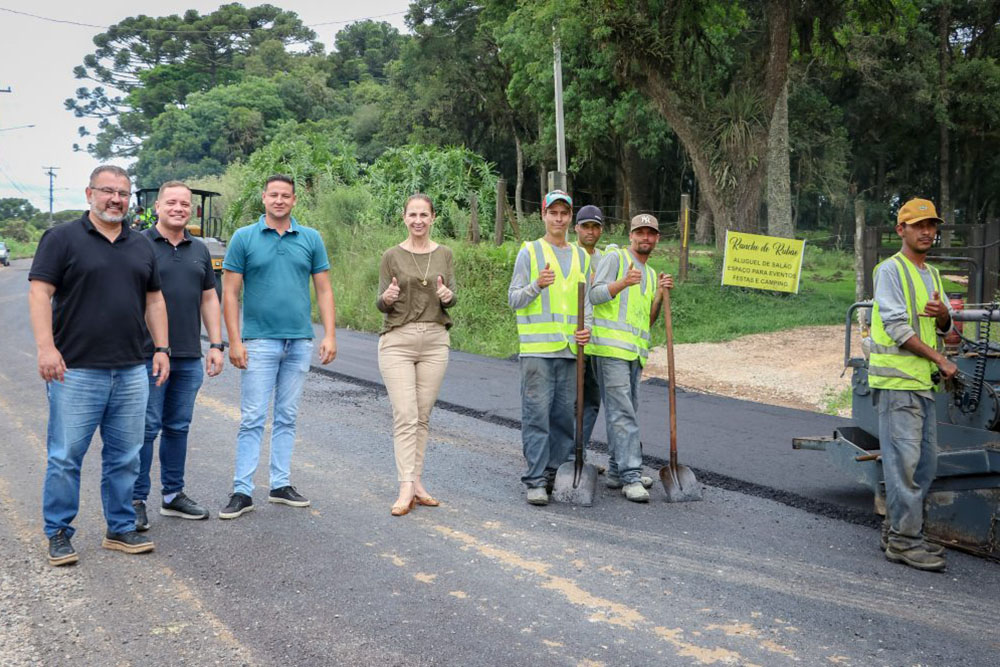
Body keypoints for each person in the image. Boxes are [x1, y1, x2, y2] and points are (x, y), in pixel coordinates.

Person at [28, 165, 169, 565]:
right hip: (75, 370)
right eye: (108, 191)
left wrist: (162, 348)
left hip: (132, 369)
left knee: (125, 455)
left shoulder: (141, 244)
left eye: (123, 193)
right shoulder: (61, 238)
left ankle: (120, 527)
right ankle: (58, 531)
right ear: (89, 193)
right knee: (65, 456)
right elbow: (39, 293)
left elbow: (154, 300)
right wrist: (46, 348)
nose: (116, 200)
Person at [219, 174, 337, 519]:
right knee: (253, 417)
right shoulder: (244, 237)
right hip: (259, 341)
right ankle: (242, 490)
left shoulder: (310, 238)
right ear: (264, 198)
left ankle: (280, 484)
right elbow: (230, 293)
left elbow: (324, 289)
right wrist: (234, 341)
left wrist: (330, 334)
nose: (279, 200)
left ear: (294, 200)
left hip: (299, 340)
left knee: (287, 416)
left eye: (286, 195)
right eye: (274, 195)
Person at [132, 181, 225, 531]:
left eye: (184, 204)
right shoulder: (137, 244)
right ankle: (135, 500)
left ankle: (172, 495)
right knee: (146, 428)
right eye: (171, 202)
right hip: (147, 355)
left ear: (192, 210)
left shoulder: (199, 249)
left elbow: (209, 298)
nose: (178, 208)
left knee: (178, 426)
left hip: (188, 355)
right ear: (157, 207)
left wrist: (215, 344)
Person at [869, 197, 956, 571]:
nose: (927, 231)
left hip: (923, 384)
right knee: (904, 465)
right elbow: (896, 328)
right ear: (900, 230)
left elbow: (948, 330)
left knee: (923, 466)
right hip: (898, 384)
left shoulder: (932, 275)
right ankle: (905, 542)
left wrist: (943, 317)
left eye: (931, 225)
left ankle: (897, 531)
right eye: (918, 225)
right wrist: (940, 359)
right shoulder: (890, 270)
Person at [508, 190, 592, 506]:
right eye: (553, 213)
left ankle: (556, 475)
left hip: (570, 351)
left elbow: (587, 302)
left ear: (570, 218)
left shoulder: (582, 256)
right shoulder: (529, 252)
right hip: (537, 351)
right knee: (537, 416)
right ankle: (535, 480)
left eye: (564, 213)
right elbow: (514, 299)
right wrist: (537, 285)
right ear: (543, 215)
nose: (559, 219)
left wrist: (587, 329)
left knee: (564, 419)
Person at [376, 194, 457, 516]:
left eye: (424, 215)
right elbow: (381, 302)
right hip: (398, 339)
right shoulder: (391, 255)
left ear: (433, 217)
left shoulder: (445, 254)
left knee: (422, 416)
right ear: (404, 217)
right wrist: (387, 297)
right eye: (413, 215)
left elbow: (451, 296)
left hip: (435, 341)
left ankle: (417, 483)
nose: (418, 220)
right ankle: (405, 486)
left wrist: (448, 295)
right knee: (406, 414)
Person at [589, 214, 673, 503]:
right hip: (610, 350)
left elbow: (647, 321)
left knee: (625, 413)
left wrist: (659, 295)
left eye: (650, 233)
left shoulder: (649, 273)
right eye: (640, 232)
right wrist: (623, 282)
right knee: (622, 414)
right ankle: (631, 477)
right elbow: (594, 295)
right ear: (631, 235)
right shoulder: (615, 258)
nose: (645, 237)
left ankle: (616, 470)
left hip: (635, 354)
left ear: (657, 238)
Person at [573, 205, 605, 451]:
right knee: (570, 400)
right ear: (577, 228)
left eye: (595, 227)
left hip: (597, 341)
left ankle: (579, 453)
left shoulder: (605, 260)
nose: (590, 232)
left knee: (592, 401)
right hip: (573, 338)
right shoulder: (568, 254)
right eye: (586, 226)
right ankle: (562, 453)